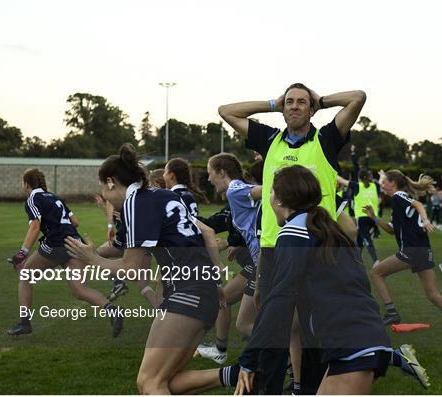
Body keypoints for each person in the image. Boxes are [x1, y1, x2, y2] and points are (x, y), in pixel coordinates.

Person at [219, 83, 366, 393]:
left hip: (316, 247)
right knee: (271, 318)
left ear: (310, 108)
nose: (295, 106)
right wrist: (273, 103)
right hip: (274, 247)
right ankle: (272, 386)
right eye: (290, 102)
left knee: (312, 323)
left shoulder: (325, 138)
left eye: (301, 102)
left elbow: (357, 98)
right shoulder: (270, 139)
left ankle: (307, 385)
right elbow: (226, 111)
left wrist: (321, 101)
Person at [235, 166, 429, 395]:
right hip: (360, 341)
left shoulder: (293, 233)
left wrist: (249, 360)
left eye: (270, 192)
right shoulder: (327, 228)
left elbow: (280, 300)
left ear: (278, 199)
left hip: (351, 346)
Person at [64, 144, 229, 394]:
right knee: (167, 381)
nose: (104, 196)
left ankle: (244, 373)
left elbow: (132, 269)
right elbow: (203, 233)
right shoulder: (160, 196)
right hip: (200, 292)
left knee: (149, 383)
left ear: (110, 182)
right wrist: (216, 282)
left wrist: (91, 259)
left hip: (187, 292)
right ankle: (237, 375)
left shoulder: (135, 203)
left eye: (102, 188)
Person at [7, 168, 123, 337]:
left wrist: (22, 253)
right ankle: (112, 310)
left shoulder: (33, 198)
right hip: (75, 243)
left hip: (56, 244)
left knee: (25, 276)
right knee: (80, 290)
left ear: (26, 184)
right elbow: (75, 222)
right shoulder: (54, 197)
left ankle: (25, 323)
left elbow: (35, 226)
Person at [363, 169, 442, 341]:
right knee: (432, 294)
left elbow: (418, 204)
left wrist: (426, 220)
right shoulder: (397, 201)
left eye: (384, 181)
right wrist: (374, 218)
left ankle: (391, 312)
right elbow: (392, 230)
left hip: (412, 250)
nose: (382, 184)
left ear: (392, 183)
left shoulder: (399, 197)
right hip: (423, 249)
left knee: (376, 273)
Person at [197, 154, 262, 365]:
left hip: (265, 263)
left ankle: (290, 356)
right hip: (260, 263)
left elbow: (264, 191)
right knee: (223, 300)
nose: (208, 179)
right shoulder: (236, 194)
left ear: (221, 173)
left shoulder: (234, 188)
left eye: (210, 174)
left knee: (245, 324)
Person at [337, 168, 380, 267]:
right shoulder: (375, 186)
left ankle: (376, 261)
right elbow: (381, 182)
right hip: (373, 217)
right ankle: (355, 260)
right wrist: (381, 176)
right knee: (360, 240)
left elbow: (341, 180)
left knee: (366, 238)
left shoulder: (357, 186)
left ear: (359, 178)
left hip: (362, 217)